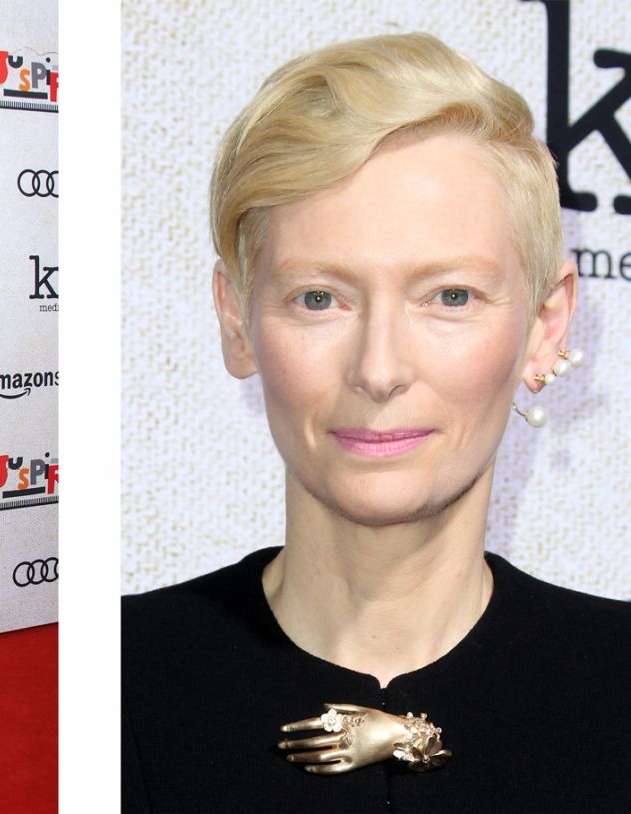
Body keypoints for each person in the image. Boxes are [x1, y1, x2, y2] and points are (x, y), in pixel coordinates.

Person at [121, 33, 631, 812]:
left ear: (545, 325)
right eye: (319, 298)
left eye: (450, 296)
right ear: (236, 320)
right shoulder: (116, 678)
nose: (380, 368)